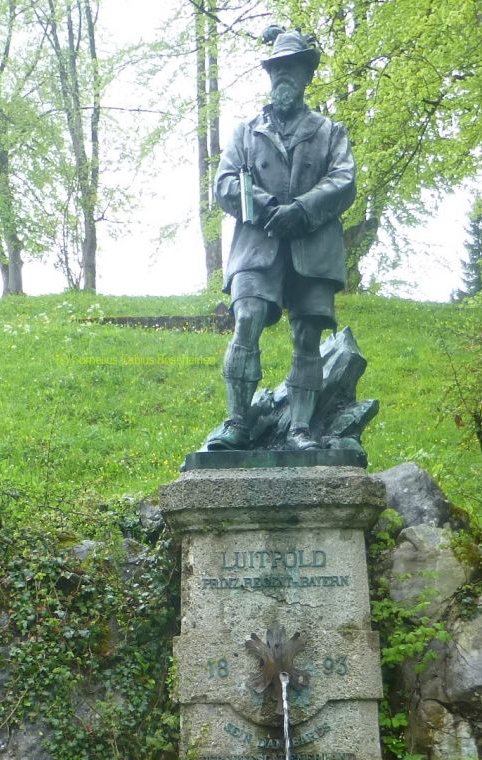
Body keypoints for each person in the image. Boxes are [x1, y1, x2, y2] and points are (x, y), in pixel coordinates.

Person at [207, 28, 356, 452]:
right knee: (248, 317)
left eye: (291, 69)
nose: (282, 77)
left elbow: (344, 181)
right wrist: (269, 207)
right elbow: (225, 183)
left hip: (314, 248)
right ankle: (236, 422)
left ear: (307, 76)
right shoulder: (246, 132)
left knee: (308, 335)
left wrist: (303, 210)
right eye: (276, 69)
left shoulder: (331, 132)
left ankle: (300, 429)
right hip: (259, 247)